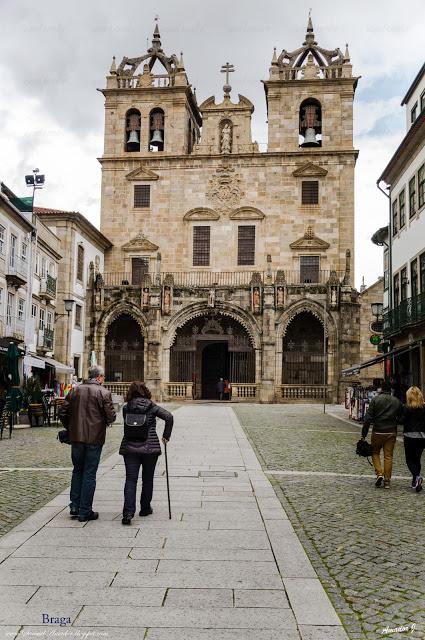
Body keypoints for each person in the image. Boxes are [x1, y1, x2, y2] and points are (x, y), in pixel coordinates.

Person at [59, 365, 116, 522]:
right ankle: (85, 511)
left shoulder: (75, 390)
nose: (103, 380)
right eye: (103, 377)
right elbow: (111, 417)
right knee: (89, 473)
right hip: (94, 439)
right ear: (98, 377)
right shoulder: (103, 392)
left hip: (76, 438)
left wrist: (71, 428)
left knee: (77, 470)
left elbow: (62, 412)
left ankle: (74, 506)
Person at [119, 381, 173, 525]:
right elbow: (169, 417)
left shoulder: (126, 408)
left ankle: (128, 513)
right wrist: (166, 436)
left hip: (130, 447)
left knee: (130, 479)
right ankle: (145, 508)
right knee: (147, 479)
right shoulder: (151, 406)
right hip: (150, 447)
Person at [361, 381, 402, 489]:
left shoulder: (375, 400)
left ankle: (379, 473)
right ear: (391, 389)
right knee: (388, 456)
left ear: (381, 388)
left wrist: (363, 435)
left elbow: (367, 419)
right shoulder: (396, 401)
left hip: (378, 431)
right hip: (391, 432)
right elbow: (402, 418)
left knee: (375, 452)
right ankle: (387, 481)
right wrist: (395, 420)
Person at [401, 386, 425, 492]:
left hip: (409, 436)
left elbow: (402, 420)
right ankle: (415, 482)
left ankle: (417, 476)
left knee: (409, 460)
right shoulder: (424, 407)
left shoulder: (406, 407)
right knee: (417, 459)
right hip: (422, 437)